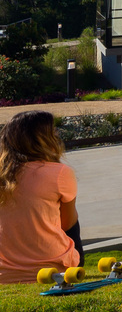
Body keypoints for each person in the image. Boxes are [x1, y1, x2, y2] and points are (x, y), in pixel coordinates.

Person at [0, 111, 81, 284]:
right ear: (44, 140)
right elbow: (67, 223)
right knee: (73, 221)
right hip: (54, 270)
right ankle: (77, 267)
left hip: (4, 274)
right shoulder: (60, 173)